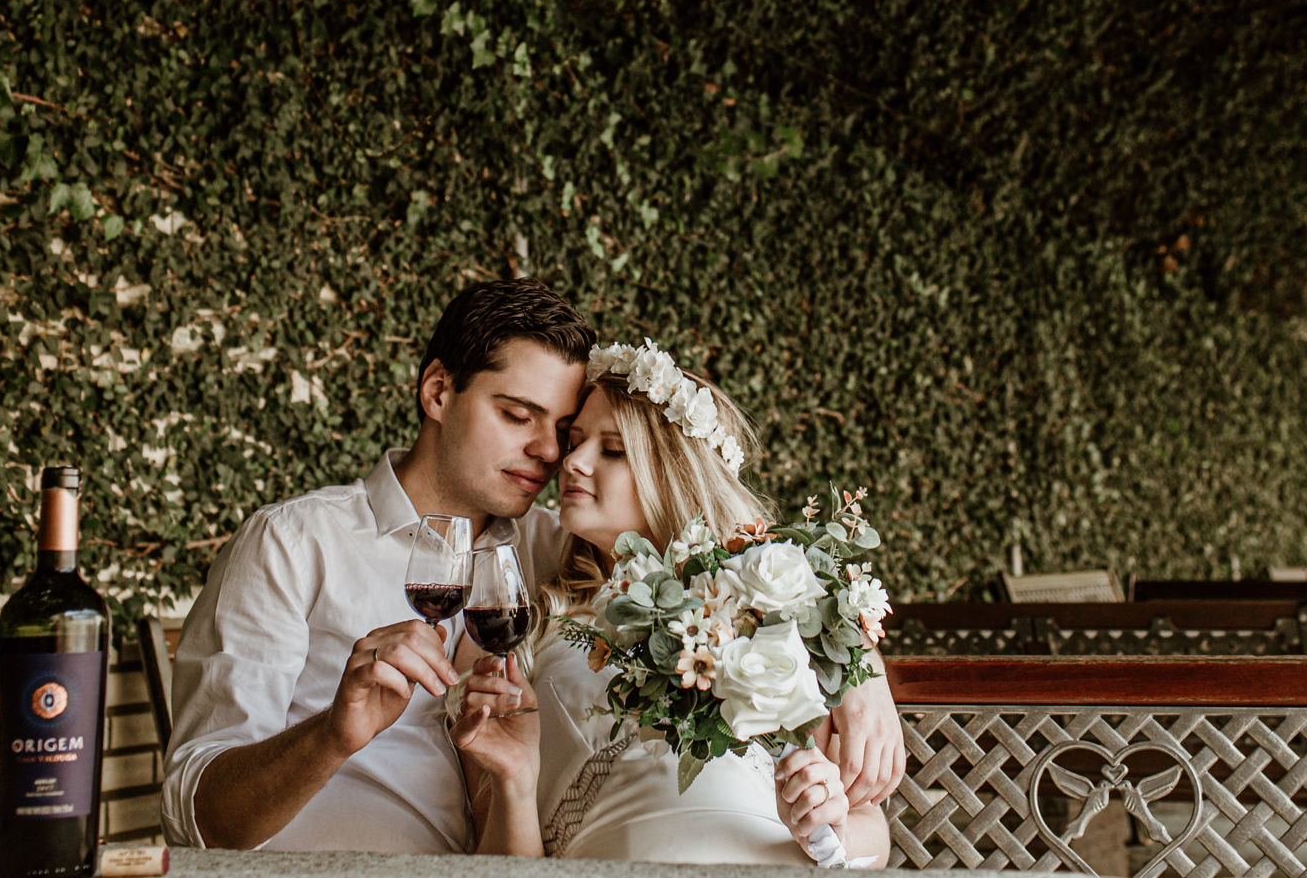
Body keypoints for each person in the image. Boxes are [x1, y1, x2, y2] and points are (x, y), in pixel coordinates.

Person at [162, 280, 903, 852]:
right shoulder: (295, 544)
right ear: (438, 391)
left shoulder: (553, 551)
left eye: (564, 429)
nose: (553, 455)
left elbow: (728, 546)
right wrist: (332, 734)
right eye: (519, 415)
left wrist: (859, 669)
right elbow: (197, 811)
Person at [448, 340, 896, 865]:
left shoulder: (767, 615)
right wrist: (515, 785)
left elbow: (871, 836)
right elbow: (501, 863)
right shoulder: (520, 632)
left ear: (672, 474)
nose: (573, 462)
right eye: (576, 441)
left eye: (612, 450)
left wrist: (828, 818)